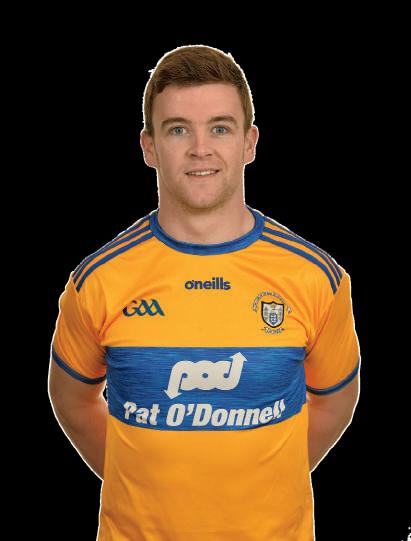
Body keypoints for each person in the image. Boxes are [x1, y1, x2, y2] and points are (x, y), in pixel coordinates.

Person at [48, 44, 361, 541]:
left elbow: (336, 402)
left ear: (249, 142)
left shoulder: (316, 277)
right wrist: (140, 483)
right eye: (178, 129)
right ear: (149, 147)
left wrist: (270, 484)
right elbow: (71, 400)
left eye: (220, 128)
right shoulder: (98, 280)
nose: (200, 148)